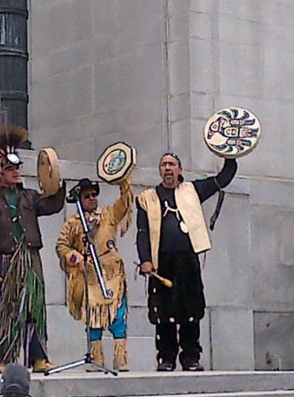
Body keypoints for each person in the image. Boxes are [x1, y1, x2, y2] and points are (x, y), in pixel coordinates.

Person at [136, 153, 237, 372]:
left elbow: (223, 178)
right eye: (163, 165)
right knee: (164, 313)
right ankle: (166, 358)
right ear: (160, 171)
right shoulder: (148, 198)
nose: (167, 168)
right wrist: (145, 259)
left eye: (172, 164)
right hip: (161, 263)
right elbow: (142, 232)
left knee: (191, 310)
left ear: (180, 170)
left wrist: (230, 155)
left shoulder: (192, 190)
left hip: (187, 261)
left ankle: (191, 358)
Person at [0, 125, 65, 372]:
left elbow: (53, 205)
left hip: (30, 256)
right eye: (10, 169)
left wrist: (57, 182)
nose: (16, 172)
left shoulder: (29, 196)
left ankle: (38, 358)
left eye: (17, 168)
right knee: (6, 311)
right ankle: (3, 359)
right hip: (5, 259)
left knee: (34, 306)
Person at [55, 177, 133, 371]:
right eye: (86, 196)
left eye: (94, 195)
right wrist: (74, 257)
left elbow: (125, 203)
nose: (91, 198)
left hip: (112, 273)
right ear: (79, 199)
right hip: (89, 274)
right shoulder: (72, 223)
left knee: (118, 316)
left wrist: (124, 183)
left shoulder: (108, 214)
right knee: (94, 320)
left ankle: (120, 360)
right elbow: (62, 246)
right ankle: (96, 360)